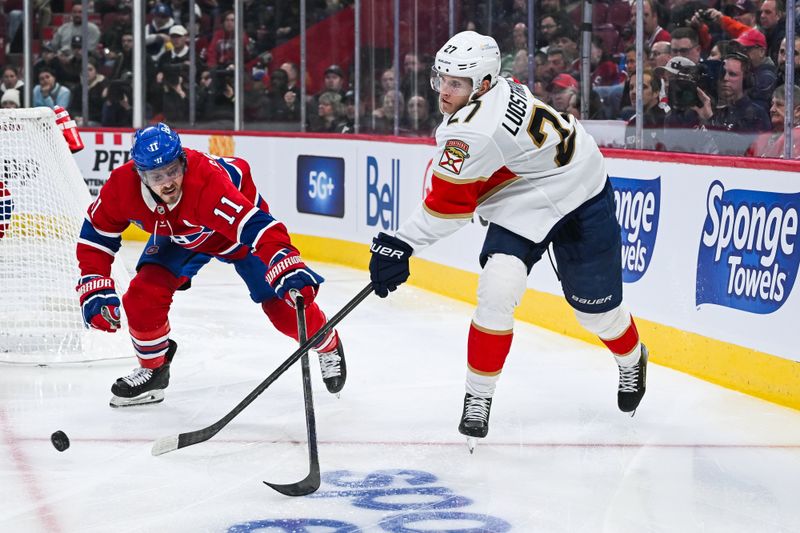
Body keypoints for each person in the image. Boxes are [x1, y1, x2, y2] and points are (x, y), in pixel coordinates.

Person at [368, 31, 649, 447]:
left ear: (483, 84)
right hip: (524, 198)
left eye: (455, 83)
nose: (444, 91)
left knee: (595, 313)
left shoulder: (472, 130)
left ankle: (631, 357)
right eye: (441, 79)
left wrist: (400, 242)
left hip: (582, 189)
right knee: (497, 289)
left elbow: (448, 209)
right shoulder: (495, 89)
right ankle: (478, 398)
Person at [75, 123, 346, 407]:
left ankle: (327, 343)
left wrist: (285, 262)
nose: (167, 183)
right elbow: (96, 234)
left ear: (183, 161)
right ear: (140, 175)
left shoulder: (206, 184)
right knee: (142, 297)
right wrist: (94, 282)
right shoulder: (122, 186)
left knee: (285, 312)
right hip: (181, 239)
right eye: (156, 176)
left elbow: (257, 227)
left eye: (172, 170)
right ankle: (154, 370)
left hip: (236, 239)